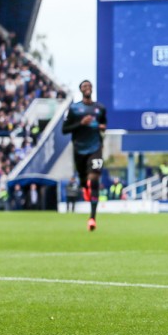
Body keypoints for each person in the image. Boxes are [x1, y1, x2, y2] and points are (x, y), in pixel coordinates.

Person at [62, 80, 107, 231]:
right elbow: (65, 129)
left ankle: (92, 218)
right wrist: (81, 123)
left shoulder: (100, 108)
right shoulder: (74, 109)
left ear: (92, 89)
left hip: (95, 148)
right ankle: (85, 187)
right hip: (79, 150)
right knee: (84, 181)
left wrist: (101, 127)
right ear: (81, 90)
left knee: (94, 178)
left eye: (89, 86)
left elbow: (104, 125)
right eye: (84, 86)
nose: (87, 88)